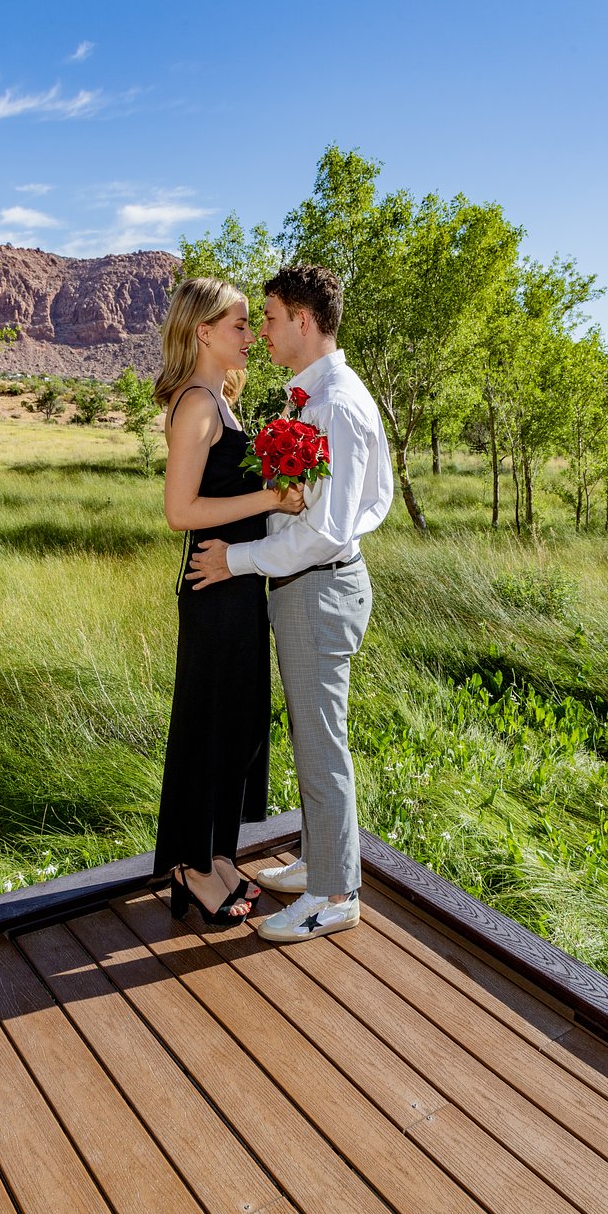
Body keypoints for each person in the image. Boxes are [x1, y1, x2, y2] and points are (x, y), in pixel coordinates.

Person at [187, 265, 393, 942]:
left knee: (321, 743)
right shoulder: (317, 396)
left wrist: (236, 558)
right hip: (313, 588)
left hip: (319, 587)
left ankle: (336, 895)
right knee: (312, 736)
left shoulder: (333, 403)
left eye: (269, 318)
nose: (262, 333)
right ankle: (320, 862)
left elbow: (326, 529)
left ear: (303, 320)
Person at [152, 276, 305, 926]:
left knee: (237, 721)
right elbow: (179, 511)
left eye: (250, 324)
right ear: (203, 332)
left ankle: (216, 857)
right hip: (214, 586)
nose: (251, 335)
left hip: (239, 580)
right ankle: (191, 868)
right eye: (240, 325)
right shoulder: (196, 404)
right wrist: (272, 497)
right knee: (210, 723)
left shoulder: (221, 399)